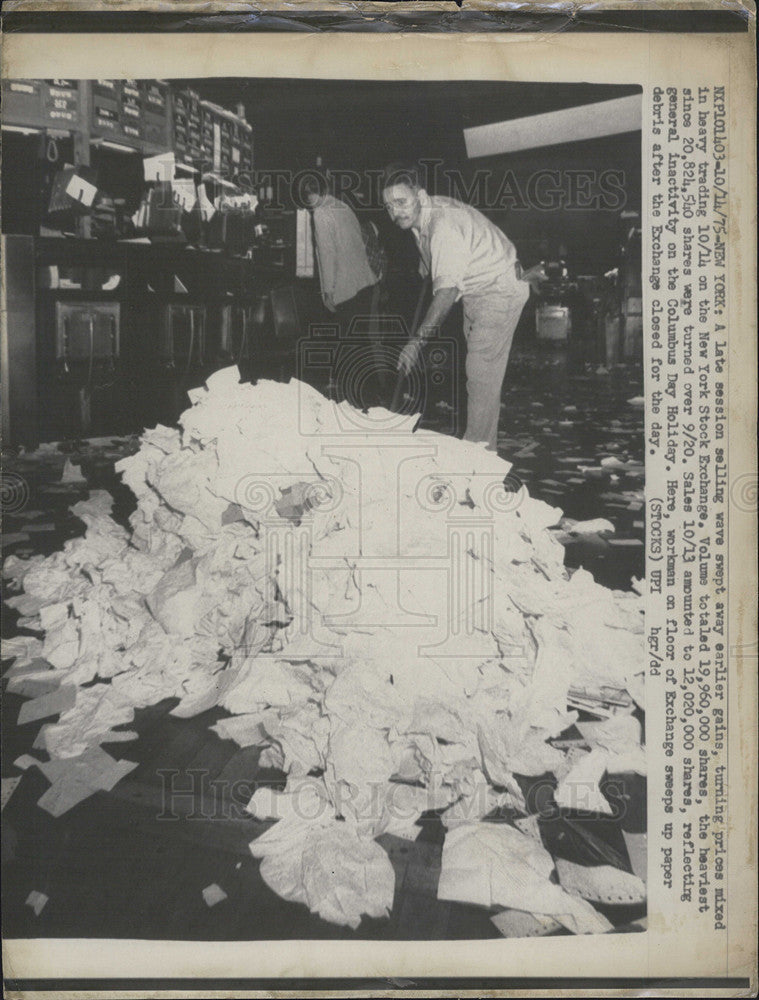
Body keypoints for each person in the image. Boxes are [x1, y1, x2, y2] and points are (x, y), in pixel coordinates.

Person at [382, 163, 537, 451]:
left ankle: (478, 459)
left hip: (499, 288)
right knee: (481, 376)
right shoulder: (424, 215)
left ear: (421, 196)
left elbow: (446, 292)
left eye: (401, 202)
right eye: (389, 206)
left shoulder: (444, 227)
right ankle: (481, 447)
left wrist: (416, 343)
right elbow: (431, 249)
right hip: (476, 289)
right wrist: (428, 262)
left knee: (479, 373)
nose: (395, 213)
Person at [302, 174, 379, 335]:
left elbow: (327, 254)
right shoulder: (343, 206)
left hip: (346, 289)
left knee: (347, 348)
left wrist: (328, 291)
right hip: (365, 283)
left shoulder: (320, 213)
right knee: (362, 344)